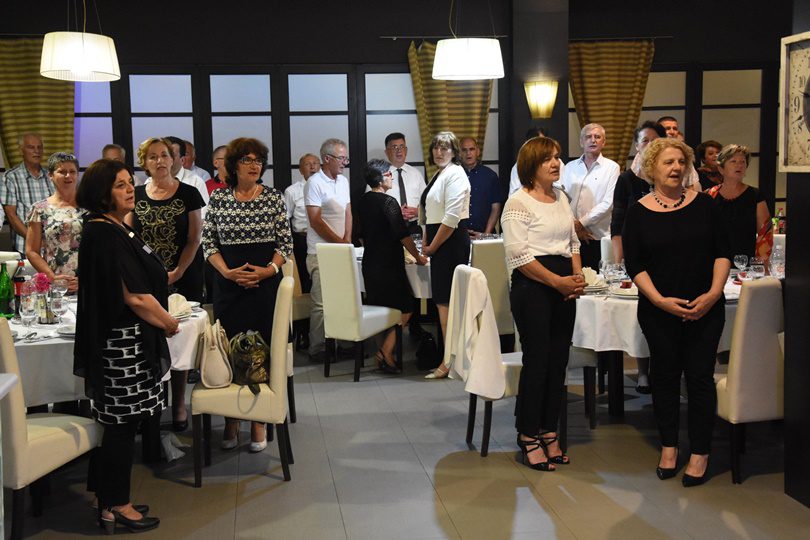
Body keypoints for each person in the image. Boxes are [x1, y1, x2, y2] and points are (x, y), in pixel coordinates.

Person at [74, 158, 177, 533]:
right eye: (119, 185)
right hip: (121, 345)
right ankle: (117, 504)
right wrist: (168, 322)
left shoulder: (115, 226)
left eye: (129, 182)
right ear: (102, 194)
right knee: (121, 424)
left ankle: (105, 498)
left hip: (128, 340)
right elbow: (133, 296)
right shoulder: (103, 232)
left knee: (121, 424)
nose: (130, 188)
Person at [623, 137, 731, 487]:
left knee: (699, 378)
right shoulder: (638, 211)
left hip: (706, 307)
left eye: (681, 162)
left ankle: (700, 452)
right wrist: (659, 300)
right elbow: (635, 265)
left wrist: (713, 294)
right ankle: (669, 447)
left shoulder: (706, 205)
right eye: (668, 162)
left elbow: (723, 252)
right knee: (665, 377)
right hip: (659, 310)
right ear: (651, 169)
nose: (676, 168)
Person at [202, 137, 292, 452]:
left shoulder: (273, 197)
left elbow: (285, 243)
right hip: (228, 286)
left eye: (258, 160)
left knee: (261, 349)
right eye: (247, 160)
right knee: (228, 348)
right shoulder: (218, 198)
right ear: (234, 165)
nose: (254, 165)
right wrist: (227, 272)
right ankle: (231, 419)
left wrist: (268, 270)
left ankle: (258, 419)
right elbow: (208, 243)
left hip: (264, 286)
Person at [502, 136, 584, 471]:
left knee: (559, 360)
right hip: (533, 286)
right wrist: (557, 282)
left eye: (557, 157)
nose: (555, 163)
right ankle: (527, 434)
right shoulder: (517, 202)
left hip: (563, 284)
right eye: (547, 158)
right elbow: (519, 256)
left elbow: (573, 241)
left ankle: (549, 429)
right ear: (531, 165)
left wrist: (576, 276)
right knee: (538, 361)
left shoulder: (561, 197)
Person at [127, 137, 205, 433]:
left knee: (179, 338)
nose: (159, 161)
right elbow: (129, 238)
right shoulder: (135, 194)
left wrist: (177, 271)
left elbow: (194, 238)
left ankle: (179, 401)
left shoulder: (189, 193)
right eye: (152, 157)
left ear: (173, 160)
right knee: (148, 337)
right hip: (145, 280)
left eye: (164, 155)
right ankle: (151, 403)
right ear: (144, 163)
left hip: (183, 275)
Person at [609, 121, 666, 395]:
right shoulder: (627, 179)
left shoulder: (669, 177)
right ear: (636, 146)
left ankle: (666, 370)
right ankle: (643, 371)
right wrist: (619, 262)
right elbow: (617, 223)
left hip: (667, 256)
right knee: (641, 314)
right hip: (637, 255)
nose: (650, 145)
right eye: (645, 141)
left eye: (655, 140)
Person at [357, 159, 427, 373]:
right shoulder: (388, 201)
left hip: (370, 262)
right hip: (388, 264)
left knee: (379, 308)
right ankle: (385, 352)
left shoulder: (363, 201)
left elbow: (361, 234)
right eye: (388, 174)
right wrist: (418, 256)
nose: (391, 177)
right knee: (407, 307)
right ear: (380, 179)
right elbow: (402, 235)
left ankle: (383, 356)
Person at [420, 132, 471, 379]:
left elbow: (451, 218)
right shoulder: (440, 173)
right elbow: (428, 211)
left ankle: (450, 361)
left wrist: (432, 246)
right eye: (436, 148)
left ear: (454, 152)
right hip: (439, 241)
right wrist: (426, 239)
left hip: (450, 242)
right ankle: (449, 358)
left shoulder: (456, 173)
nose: (439, 153)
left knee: (447, 303)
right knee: (443, 302)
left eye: (445, 148)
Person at [305, 138, 352, 364]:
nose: (345, 162)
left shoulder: (343, 181)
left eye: (345, 158)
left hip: (342, 249)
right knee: (321, 303)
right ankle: (318, 347)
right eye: (341, 158)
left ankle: (343, 343)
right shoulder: (314, 182)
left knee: (343, 300)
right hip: (320, 252)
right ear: (327, 159)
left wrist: (347, 240)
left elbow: (348, 212)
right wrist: (340, 243)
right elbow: (316, 221)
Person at [560, 123, 619, 269]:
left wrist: (581, 223)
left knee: (598, 277)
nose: (593, 140)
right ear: (581, 142)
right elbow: (562, 198)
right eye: (588, 137)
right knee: (575, 277)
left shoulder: (612, 167)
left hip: (597, 236)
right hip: (571, 234)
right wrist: (575, 226)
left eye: (597, 137)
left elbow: (609, 202)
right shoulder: (569, 167)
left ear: (603, 142)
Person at [25, 152, 85, 293]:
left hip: (89, 283)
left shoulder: (91, 206)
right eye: (62, 172)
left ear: (77, 174)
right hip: (56, 286)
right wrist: (52, 277)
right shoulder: (40, 209)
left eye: (72, 171)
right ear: (50, 175)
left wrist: (87, 278)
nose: (68, 176)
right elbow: (31, 251)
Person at [710, 144, 771, 260]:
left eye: (743, 162)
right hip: (715, 261)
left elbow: (765, 233)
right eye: (733, 161)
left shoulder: (755, 195)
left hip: (745, 261)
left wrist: (762, 264)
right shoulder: (710, 195)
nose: (739, 165)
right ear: (721, 169)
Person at [1, 133, 53, 253]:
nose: (36, 151)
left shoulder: (51, 176)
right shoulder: (11, 177)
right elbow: (11, 216)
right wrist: (35, 240)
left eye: (39, 147)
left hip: (52, 246)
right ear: (21, 150)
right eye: (31, 147)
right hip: (25, 247)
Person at [145, 135, 209, 217]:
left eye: (171, 155)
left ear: (182, 160)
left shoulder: (196, 182)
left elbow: (203, 216)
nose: (163, 160)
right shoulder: (149, 181)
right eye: (164, 155)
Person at [284, 153, 320, 294]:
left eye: (315, 163)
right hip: (302, 239)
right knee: (305, 276)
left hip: (322, 237)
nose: (312, 167)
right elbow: (285, 218)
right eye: (307, 164)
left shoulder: (326, 187)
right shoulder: (291, 191)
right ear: (300, 170)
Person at [382, 132, 426, 236]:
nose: (399, 150)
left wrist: (418, 212)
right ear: (386, 152)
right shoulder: (379, 175)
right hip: (388, 228)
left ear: (406, 150)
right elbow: (370, 208)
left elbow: (428, 203)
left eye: (402, 146)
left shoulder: (416, 174)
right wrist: (393, 214)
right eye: (394, 147)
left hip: (414, 228)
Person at [459, 136, 503, 237]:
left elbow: (496, 208)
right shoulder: (453, 176)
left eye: (472, 149)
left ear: (478, 151)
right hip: (459, 236)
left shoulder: (490, 176)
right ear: (459, 153)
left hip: (485, 233)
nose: (468, 153)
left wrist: (486, 235)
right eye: (464, 150)